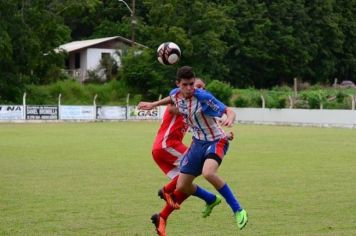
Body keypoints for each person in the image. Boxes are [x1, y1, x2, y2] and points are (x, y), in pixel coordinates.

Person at [138, 66, 248, 234]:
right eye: (186, 85)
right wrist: (153, 104)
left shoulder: (203, 97)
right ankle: (208, 199)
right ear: (178, 84)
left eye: (192, 84)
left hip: (216, 141)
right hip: (196, 144)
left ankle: (238, 209)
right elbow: (171, 98)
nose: (190, 88)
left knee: (208, 173)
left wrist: (230, 118)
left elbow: (228, 110)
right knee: (182, 186)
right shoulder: (176, 94)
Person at [147, 78, 225, 236]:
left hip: (163, 150)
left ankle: (162, 217)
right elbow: (172, 109)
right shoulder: (179, 101)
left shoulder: (195, 106)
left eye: (202, 88)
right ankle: (166, 191)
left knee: (184, 187)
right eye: (196, 86)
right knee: (197, 164)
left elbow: (206, 126)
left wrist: (224, 132)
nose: (197, 90)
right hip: (167, 145)